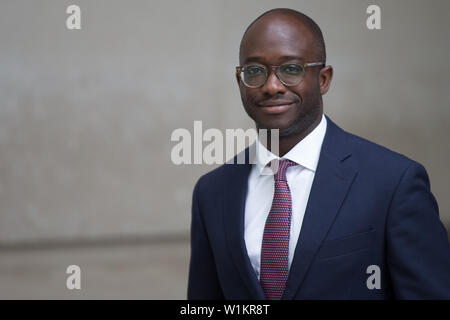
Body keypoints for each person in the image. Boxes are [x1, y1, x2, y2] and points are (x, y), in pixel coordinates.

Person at [187, 8, 450, 299]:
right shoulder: (212, 192)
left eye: (291, 69)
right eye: (255, 71)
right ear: (240, 81)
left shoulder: (392, 183)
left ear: (323, 79)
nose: (272, 86)